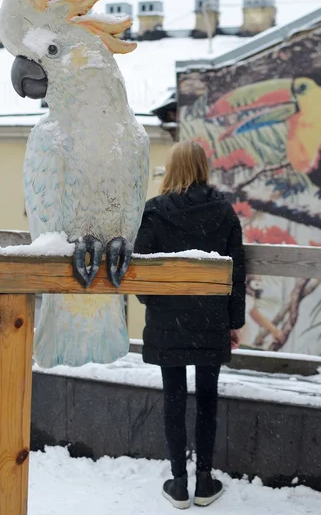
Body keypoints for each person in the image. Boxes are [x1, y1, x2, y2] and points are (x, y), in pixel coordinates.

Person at [134, 140, 246, 509]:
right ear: (203, 167)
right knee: (207, 400)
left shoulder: (153, 212)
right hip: (211, 322)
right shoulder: (224, 212)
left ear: (173, 168)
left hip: (169, 322)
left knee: (174, 398)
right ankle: (204, 481)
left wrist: (157, 305)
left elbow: (141, 273)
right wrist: (233, 321)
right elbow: (236, 273)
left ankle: (179, 484)